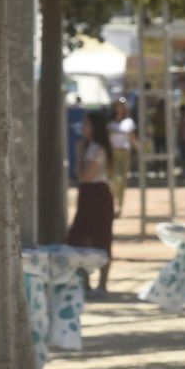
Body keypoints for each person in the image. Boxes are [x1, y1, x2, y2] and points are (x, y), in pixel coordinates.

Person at [65, 110, 118, 293]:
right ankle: (85, 281)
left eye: (87, 124)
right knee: (79, 237)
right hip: (87, 195)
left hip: (97, 194)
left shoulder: (96, 148)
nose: (83, 127)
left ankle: (102, 284)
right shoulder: (89, 146)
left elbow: (86, 176)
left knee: (101, 237)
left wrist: (78, 154)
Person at [109, 97, 138, 215]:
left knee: (123, 180)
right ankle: (112, 203)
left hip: (124, 153)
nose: (120, 108)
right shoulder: (110, 123)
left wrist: (139, 149)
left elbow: (132, 138)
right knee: (115, 179)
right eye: (118, 106)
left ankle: (119, 206)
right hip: (113, 152)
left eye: (122, 106)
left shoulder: (129, 122)